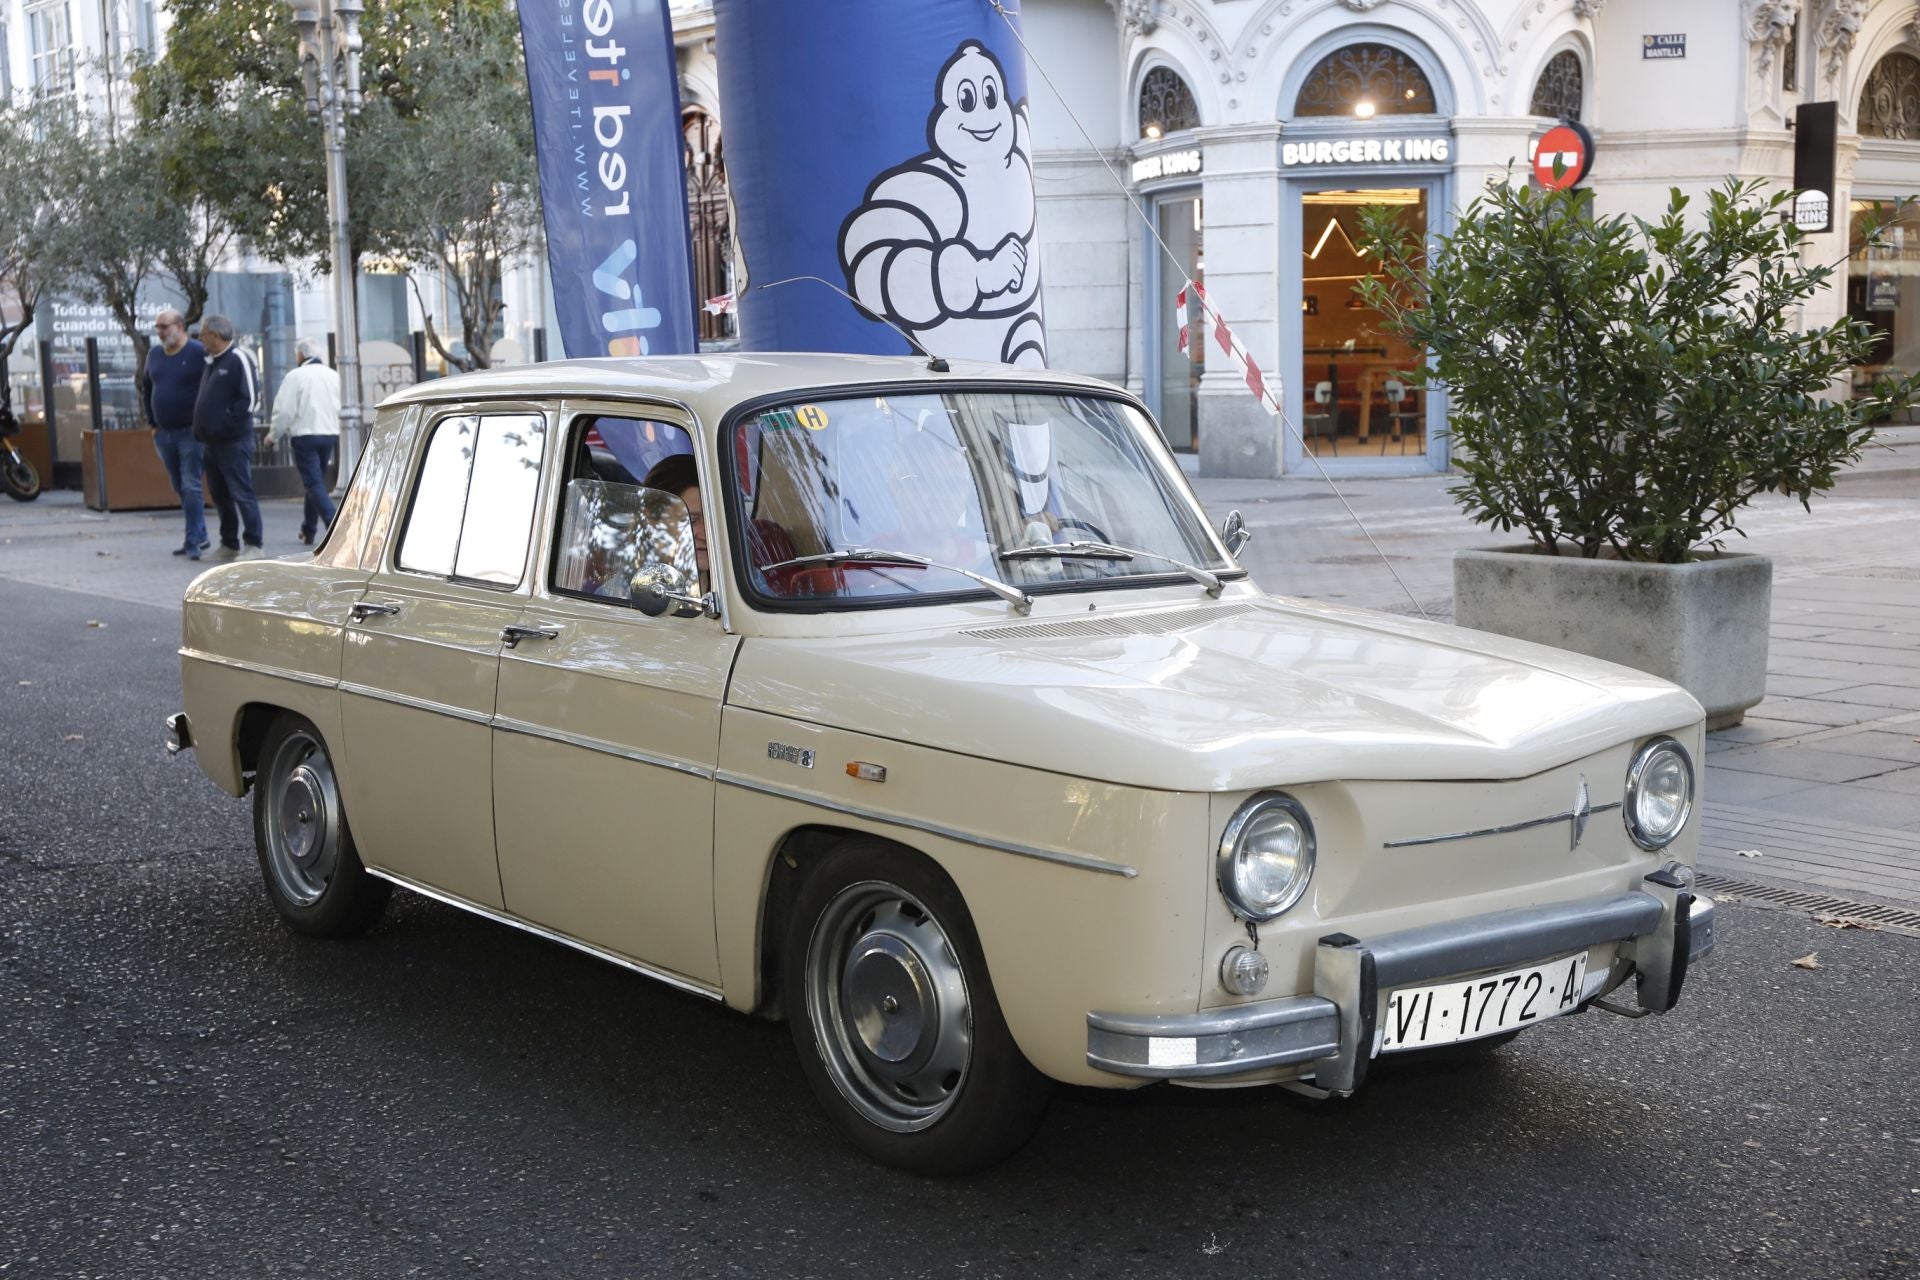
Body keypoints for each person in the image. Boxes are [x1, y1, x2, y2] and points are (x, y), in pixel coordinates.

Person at [192, 314, 265, 561]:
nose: (200, 338)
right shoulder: (211, 362)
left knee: (241, 492)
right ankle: (229, 542)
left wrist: (225, 423)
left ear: (215, 335)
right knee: (220, 494)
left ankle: (254, 544)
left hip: (233, 441)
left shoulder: (237, 358)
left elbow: (251, 399)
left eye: (203, 333)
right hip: (212, 443)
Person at [143, 309, 209, 559]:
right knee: (179, 485)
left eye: (164, 326)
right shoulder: (155, 355)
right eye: (157, 327)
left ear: (180, 326)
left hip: (191, 432)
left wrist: (203, 422)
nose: (160, 332)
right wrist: (152, 423)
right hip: (164, 433)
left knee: (191, 484)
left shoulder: (197, 352)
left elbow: (211, 386)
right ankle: (200, 533)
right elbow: (146, 387)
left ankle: (192, 540)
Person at [268, 336, 342, 545]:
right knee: (315, 481)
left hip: (304, 435)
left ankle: (333, 523)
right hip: (328, 433)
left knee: (313, 482)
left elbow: (285, 410)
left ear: (300, 355)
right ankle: (308, 529)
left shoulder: (296, 376)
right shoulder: (333, 375)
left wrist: (273, 435)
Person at [641, 454, 707, 590]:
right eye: (692, 520)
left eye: (712, 521)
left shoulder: (747, 584)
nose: (706, 535)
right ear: (653, 522)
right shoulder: (618, 596)